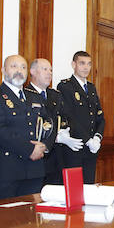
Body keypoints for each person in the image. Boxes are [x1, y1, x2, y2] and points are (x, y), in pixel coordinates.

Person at [0, 55, 55, 200]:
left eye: (23, 67)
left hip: (35, 169)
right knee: (5, 218)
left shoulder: (34, 96)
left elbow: (49, 123)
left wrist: (45, 146)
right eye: (14, 66)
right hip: (8, 170)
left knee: (32, 218)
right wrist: (30, 149)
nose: (19, 71)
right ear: (3, 70)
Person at [26, 58, 81, 186]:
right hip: (36, 158)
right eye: (45, 69)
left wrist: (64, 131)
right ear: (33, 71)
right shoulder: (26, 94)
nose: (49, 73)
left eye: (50, 70)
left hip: (57, 158)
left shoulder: (55, 95)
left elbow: (67, 117)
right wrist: (55, 137)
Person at [57, 51, 105, 183]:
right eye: (82, 63)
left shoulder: (91, 88)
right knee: (74, 188)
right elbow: (69, 117)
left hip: (91, 149)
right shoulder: (65, 86)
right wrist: (88, 140)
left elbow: (99, 116)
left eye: (89, 64)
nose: (86, 67)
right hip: (75, 148)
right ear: (74, 65)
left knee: (88, 187)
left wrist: (97, 137)